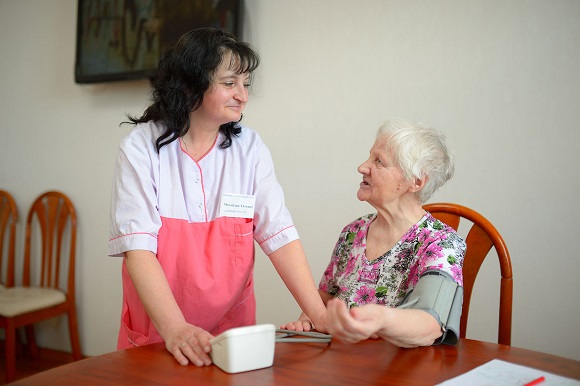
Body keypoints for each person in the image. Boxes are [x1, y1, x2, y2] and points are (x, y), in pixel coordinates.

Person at [108, 28, 327, 367]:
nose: (243, 95)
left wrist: (319, 315)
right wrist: (176, 327)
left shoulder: (249, 149)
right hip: (162, 329)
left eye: (246, 84)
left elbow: (279, 235)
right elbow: (138, 248)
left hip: (231, 331)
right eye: (229, 83)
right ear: (190, 84)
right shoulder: (141, 148)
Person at [282, 119, 466, 347]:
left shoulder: (442, 243)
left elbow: (430, 325)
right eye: (370, 157)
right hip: (343, 361)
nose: (362, 167)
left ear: (416, 181)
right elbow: (326, 299)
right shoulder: (353, 232)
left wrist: (379, 319)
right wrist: (308, 319)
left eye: (379, 161)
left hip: (400, 371)